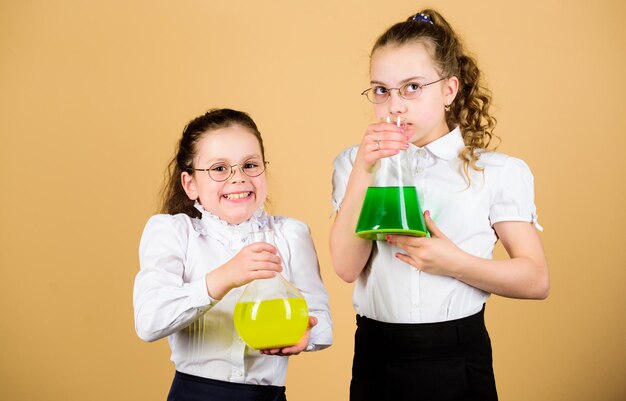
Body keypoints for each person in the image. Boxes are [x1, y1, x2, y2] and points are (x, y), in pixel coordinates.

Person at [330, 9, 549, 401]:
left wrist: (453, 263)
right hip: (375, 355)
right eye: (381, 90)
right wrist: (364, 169)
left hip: (459, 353)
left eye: (412, 87)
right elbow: (346, 267)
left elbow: (536, 280)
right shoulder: (354, 163)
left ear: (449, 90)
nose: (394, 106)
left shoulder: (496, 172)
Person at [134, 108, 332, 401]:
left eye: (250, 165)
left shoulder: (291, 234)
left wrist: (307, 334)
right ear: (190, 184)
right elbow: (149, 322)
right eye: (219, 168)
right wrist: (225, 276)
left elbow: (322, 322)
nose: (238, 178)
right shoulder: (173, 232)